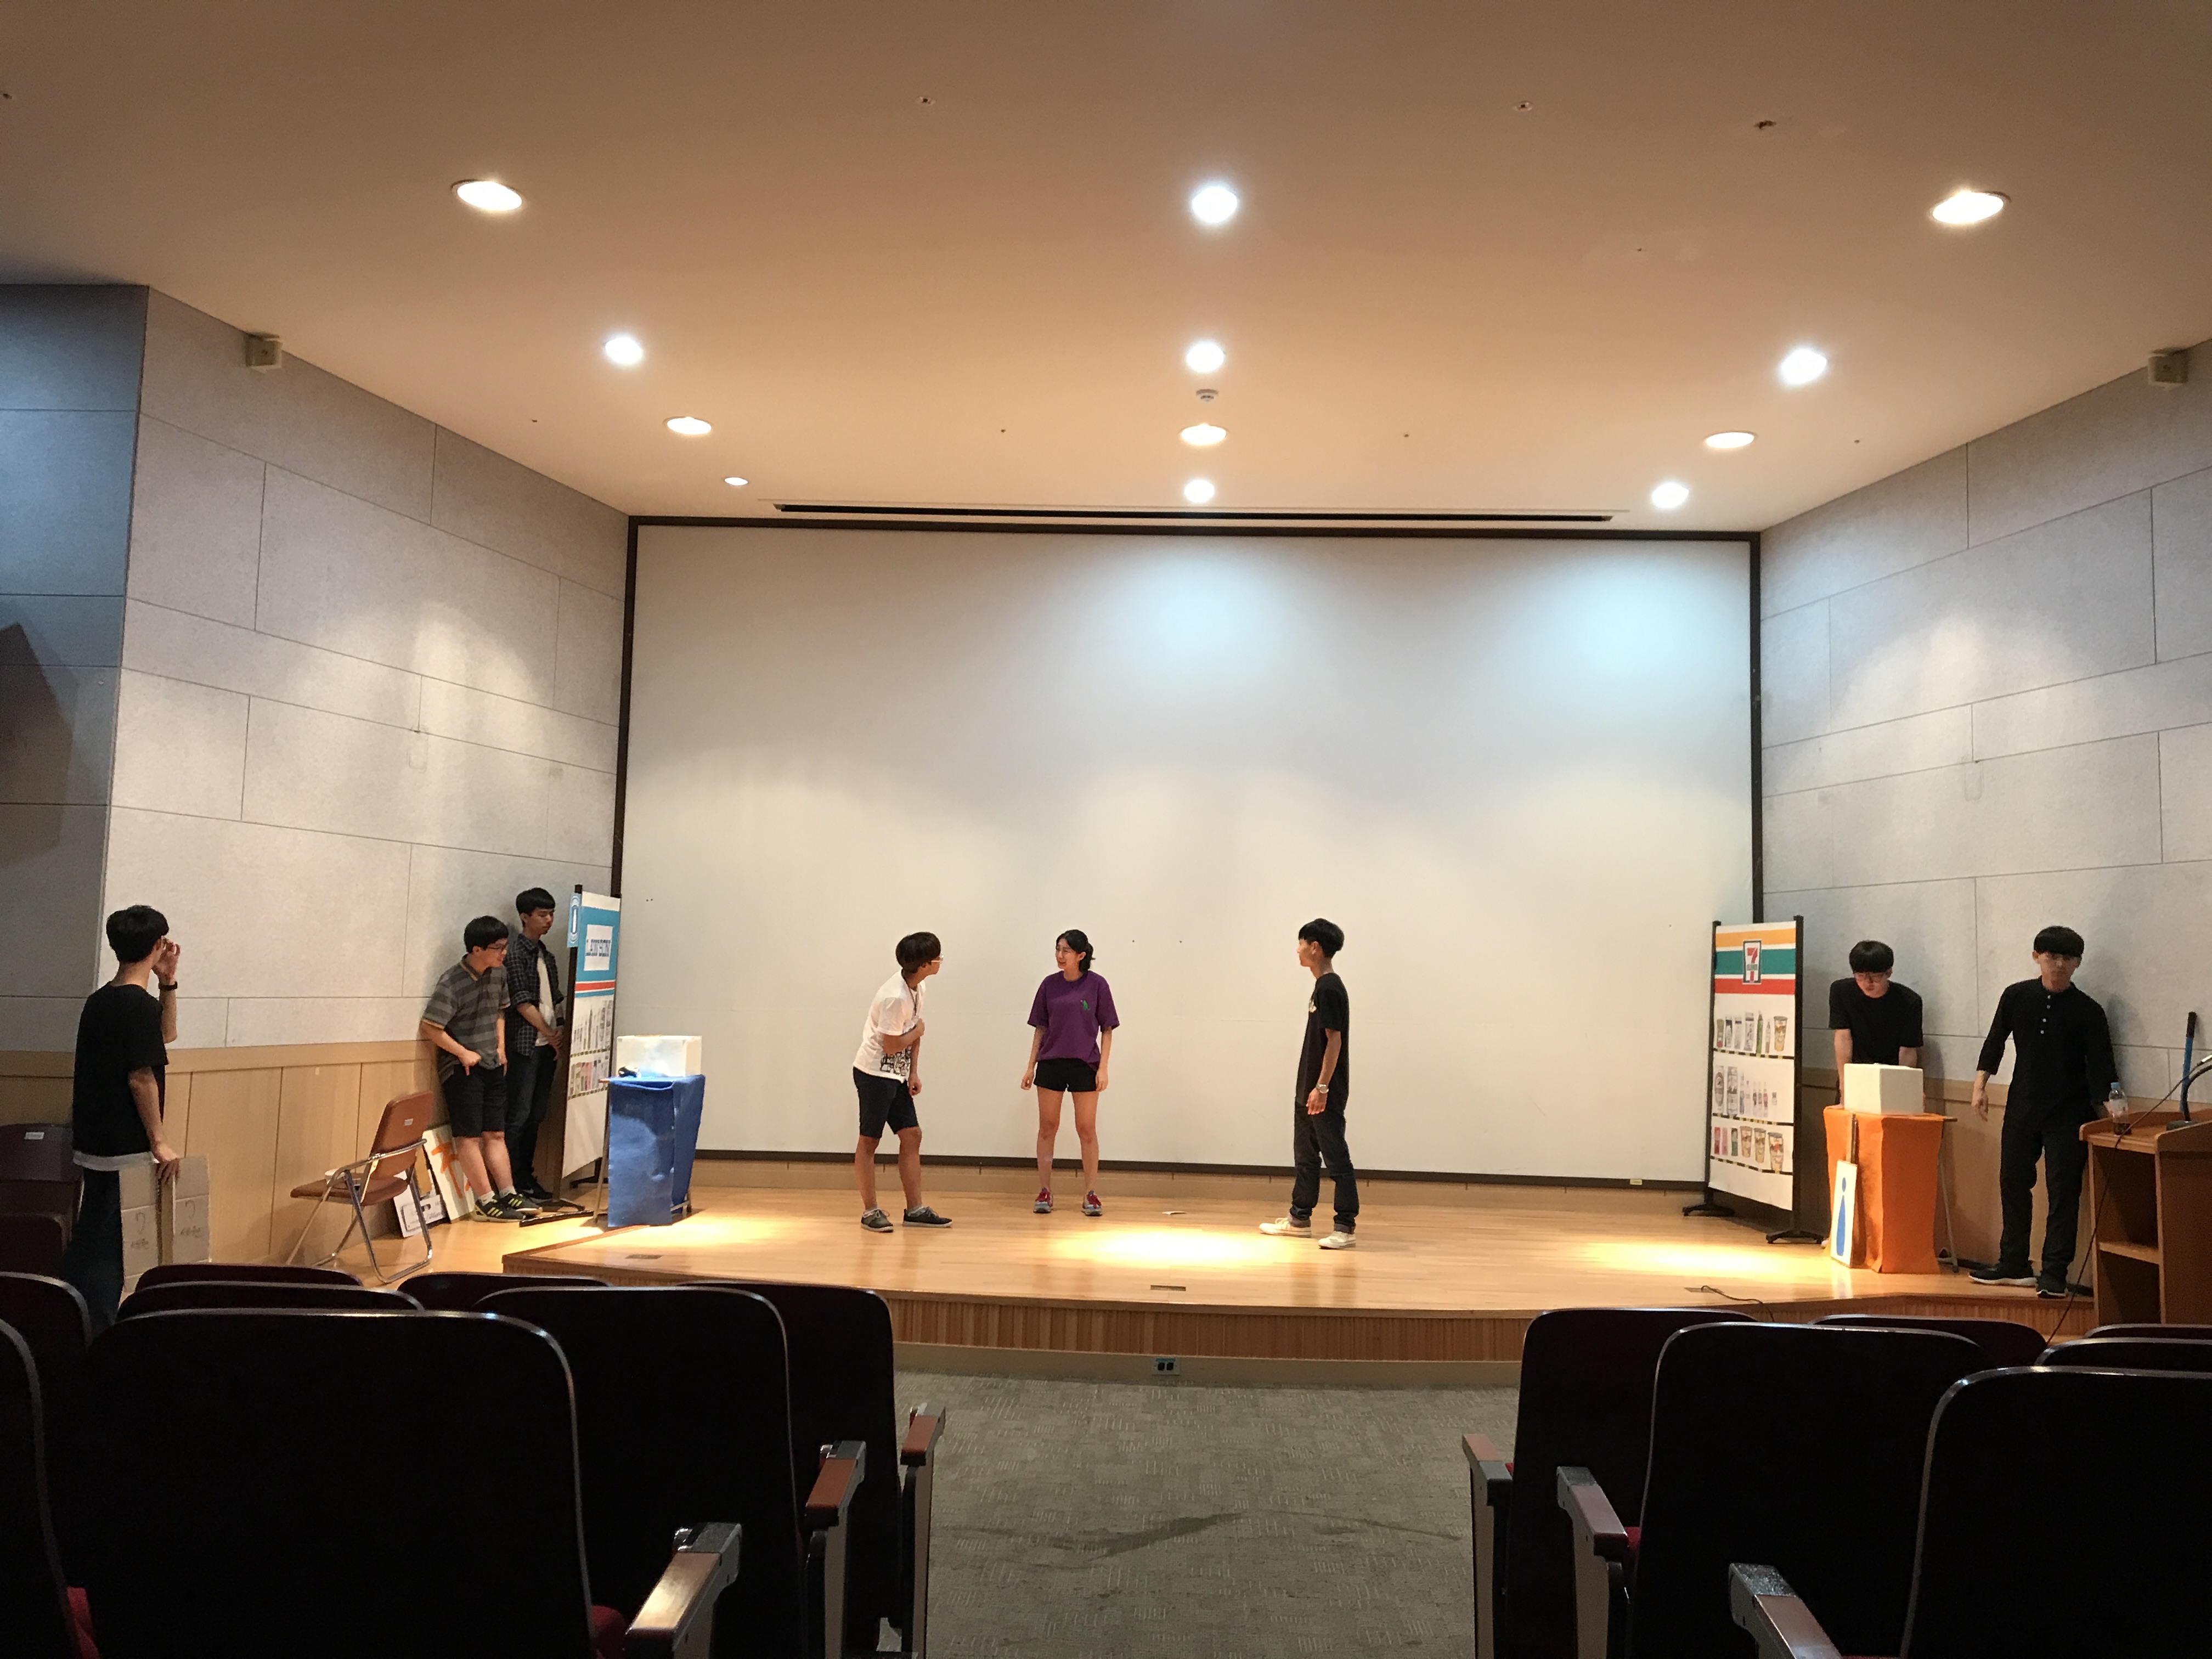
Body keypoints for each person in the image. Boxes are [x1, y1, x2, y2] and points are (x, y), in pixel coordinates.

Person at [1969, 926, 2115, 1297]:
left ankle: (2054, 1273)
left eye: (2068, 958)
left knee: (2063, 1192)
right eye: (2052, 957)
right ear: (2037, 957)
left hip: (2071, 1113)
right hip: (2023, 1105)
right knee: (2013, 1183)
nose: (2059, 965)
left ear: (2078, 963)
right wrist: (1980, 1085)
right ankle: (2013, 1263)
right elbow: (1995, 1040)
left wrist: (2114, 1114)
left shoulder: (2089, 1011)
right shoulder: (2017, 996)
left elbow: (2103, 1068)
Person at [60, 905, 185, 1331]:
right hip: (125, 1143)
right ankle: (98, 1330)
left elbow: (165, 1036)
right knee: (112, 1245)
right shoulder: (136, 1006)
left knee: (91, 1233)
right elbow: (141, 1078)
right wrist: (159, 1140)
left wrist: (168, 983)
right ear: (158, 944)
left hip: (93, 1139)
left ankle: (67, 1318)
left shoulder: (101, 1001)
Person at [421, 915, 536, 1221]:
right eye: (498, 948)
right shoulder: (452, 982)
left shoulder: (499, 974)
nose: (504, 954)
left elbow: (500, 1012)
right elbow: (431, 1026)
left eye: (505, 947)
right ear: (476, 949)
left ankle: (508, 1193)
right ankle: (485, 1201)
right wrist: (462, 1053)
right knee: (469, 1136)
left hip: (492, 1062)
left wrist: (501, 1048)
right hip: (462, 1069)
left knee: (496, 1133)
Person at [1260, 918, 1358, 1249]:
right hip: (1309, 1089)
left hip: (1323, 1091)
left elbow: (1334, 1040)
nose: (1298, 950)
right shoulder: (1321, 986)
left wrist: (1322, 1088)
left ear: (1315, 947)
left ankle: (1345, 1226)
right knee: (1305, 1156)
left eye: (1301, 943)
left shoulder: (1330, 988)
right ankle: (1299, 1218)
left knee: (1336, 1157)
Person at [853, 932, 953, 1233]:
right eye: (936, 958)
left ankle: (915, 1209)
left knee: (912, 1135)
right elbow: (892, 1045)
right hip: (874, 1074)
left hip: (896, 1075)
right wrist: (918, 1033)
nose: (940, 961)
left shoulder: (918, 988)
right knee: (869, 1141)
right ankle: (870, 1211)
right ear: (923, 965)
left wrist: (913, 1072)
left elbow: (912, 1030)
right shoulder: (895, 997)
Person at [1022, 929, 1120, 1217]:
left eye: (1066, 950)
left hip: (1085, 1064)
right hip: (1051, 1063)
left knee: (1086, 1129)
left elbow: (1107, 1029)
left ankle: (1091, 1193)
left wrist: (1103, 1068)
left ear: (1081, 955)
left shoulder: (1098, 985)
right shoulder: (1049, 985)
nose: (1060, 955)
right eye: (1058, 949)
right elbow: (1040, 1028)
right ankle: (1045, 1191)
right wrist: (1030, 1066)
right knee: (1047, 1127)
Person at [504, 886, 567, 1205]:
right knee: (519, 1114)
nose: (549, 920)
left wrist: (559, 1030)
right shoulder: (515, 953)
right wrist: (550, 1033)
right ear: (525, 917)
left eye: (551, 914)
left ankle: (527, 1176)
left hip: (546, 1046)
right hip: (525, 1046)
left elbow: (555, 999)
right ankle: (511, 1182)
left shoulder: (546, 954)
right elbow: (521, 1003)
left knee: (537, 1114)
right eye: (542, 915)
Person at [1829, 939, 1925, 1077]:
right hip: (1856, 1073)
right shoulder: (1841, 992)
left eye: (1875, 976)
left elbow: (1907, 1050)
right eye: (1861, 976)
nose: (1868, 982)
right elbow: (1843, 1038)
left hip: (1891, 1073)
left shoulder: (1909, 1001)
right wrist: (1844, 1084)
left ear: (1889, 972)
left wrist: (1903, 1084)